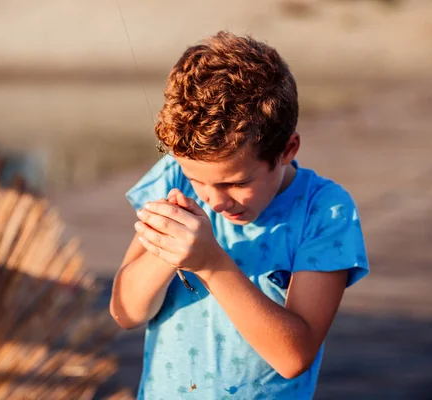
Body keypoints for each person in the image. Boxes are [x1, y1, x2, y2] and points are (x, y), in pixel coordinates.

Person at [109, 31, 369, 399]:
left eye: (235, 182)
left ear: (287, 149)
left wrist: (210, 263)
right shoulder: (174, 179)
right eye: (197, 179)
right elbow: (126, 312)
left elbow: (293, 355)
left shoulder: (324, 211)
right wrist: (165, 252)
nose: (213, 201)